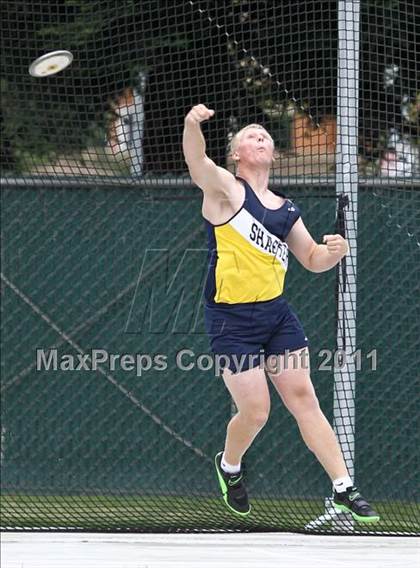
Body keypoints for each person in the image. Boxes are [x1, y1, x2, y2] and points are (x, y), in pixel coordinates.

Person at [182, 104, 380, 523]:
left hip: (276, 317)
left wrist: (335, 252)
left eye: (266, 137)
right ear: (236, 153)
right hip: (230, 320)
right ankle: (229, 466)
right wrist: (191, 125)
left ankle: (343, 487)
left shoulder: (287, 209)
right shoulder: (225, 191)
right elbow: (197, 161)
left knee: (304, 398)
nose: (262, 138)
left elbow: (311, 258)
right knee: (256, 411)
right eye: (252, 135)